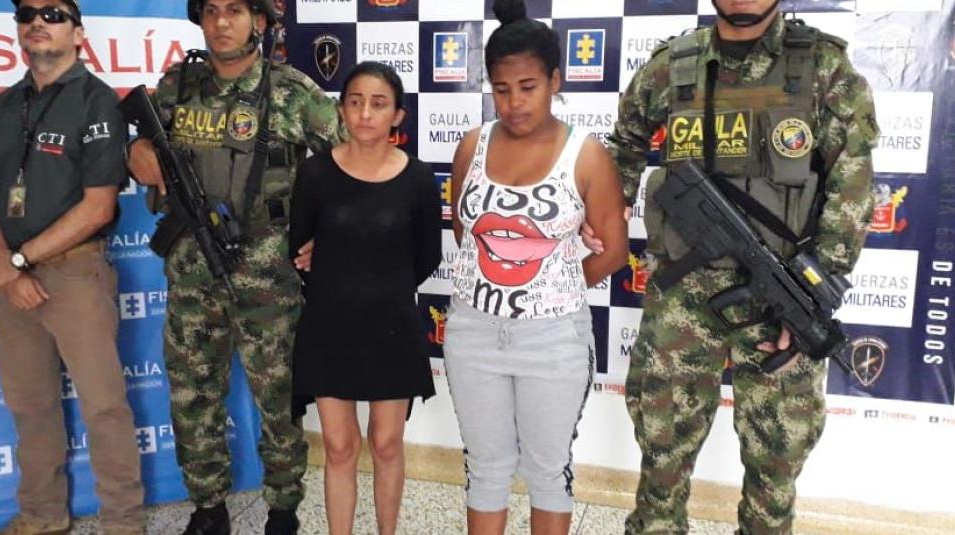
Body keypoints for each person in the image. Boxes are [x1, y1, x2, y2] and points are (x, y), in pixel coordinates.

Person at [589, 0, 879, 532]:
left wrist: (811, 300)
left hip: (781, 295)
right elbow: (625, 145)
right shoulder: (673, 65)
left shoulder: (823, 67)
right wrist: (608, 212)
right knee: (661, 452)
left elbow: (853, 180)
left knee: (776, 466)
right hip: (681, 296)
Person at [125, 0, 342, 533]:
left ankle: (283, 510)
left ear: (260, 21)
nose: (221, 22)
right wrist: (136, 150)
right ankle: (208, 508)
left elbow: (348, 167)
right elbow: (134, 142)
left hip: (270, 283)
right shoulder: (177, 88)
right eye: (211, 11)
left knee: (279, 403)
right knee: (192, 398)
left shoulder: (292, 92)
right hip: (191, 279)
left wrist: (328, 235)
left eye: (235, 10)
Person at [444, 0, 630, 533]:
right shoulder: (472, 146)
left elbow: (614, 252)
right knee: (485, 468)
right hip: (472, 331)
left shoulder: (586, 155)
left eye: (528, 87)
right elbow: (464, 232)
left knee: (548, 471)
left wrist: (555, 288)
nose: (514, 102)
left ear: (555, 80)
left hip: (554, 339)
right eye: (501, 89)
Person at [0, 1, 144, 534]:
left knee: (104, 408)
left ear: (79, 33)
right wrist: (6, 268)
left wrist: (19, 260)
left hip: (75, 274)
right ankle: (42, 516)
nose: (38, 22)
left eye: (54, 14)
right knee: (30, 405)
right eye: (27, 14)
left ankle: (123, 525)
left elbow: (99, 207)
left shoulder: (97, 102)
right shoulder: (5, 105)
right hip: (13, 281)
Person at [288, 61, 441, 535]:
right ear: (341, 110)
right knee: (338, 447)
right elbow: (300, 248)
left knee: (387, 444)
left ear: (398, 115)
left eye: (378, 104)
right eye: (355, 102)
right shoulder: (314, 172)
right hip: (329, 325)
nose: (366, 113)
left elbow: (428, 257)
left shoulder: (419, 178)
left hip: (392, 325)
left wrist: (376, 274)